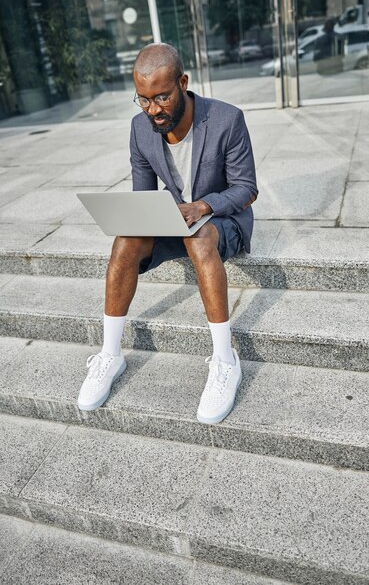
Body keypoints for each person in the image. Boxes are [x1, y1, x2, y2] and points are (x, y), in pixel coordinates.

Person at [77, 43, 258, 424]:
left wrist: (203, 207)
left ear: (183, 82)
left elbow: (246, 189)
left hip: (222, 223)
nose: (153, 109)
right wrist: (135, 219)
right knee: (125, 239)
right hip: (175, 220)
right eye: (143, 100)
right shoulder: (141, 128)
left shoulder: (227, 119)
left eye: (162, 96)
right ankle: (111, 354)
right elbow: (143, 196)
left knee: (200, 236)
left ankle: (225, 360)